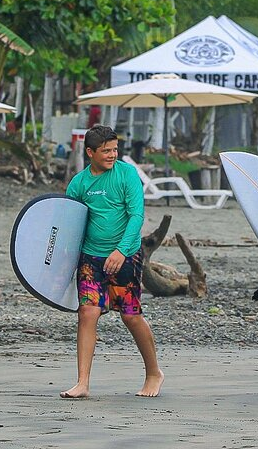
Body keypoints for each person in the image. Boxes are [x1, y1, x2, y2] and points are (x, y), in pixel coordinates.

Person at [60, 124, 163, 398]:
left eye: (115, 149)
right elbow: (69, 225)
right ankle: (82, 383)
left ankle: (154, 372)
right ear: (90, 152)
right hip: (91, 257)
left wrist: (120, 250)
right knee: (87, 313)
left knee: (130, 316)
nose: (112, 155)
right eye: (106, 151)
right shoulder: (79, 183)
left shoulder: (127, 174)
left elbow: (136, 216)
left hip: (126, 254)